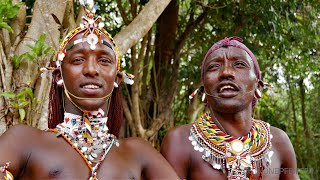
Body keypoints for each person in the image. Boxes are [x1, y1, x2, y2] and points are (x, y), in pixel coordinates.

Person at [0, 1, 179, 179]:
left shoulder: (138, 151)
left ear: (116, 79)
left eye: (104, 61)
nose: (91, 69)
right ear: (58, 76)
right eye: (78, 60)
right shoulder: (25, 141)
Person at [161, 37, 298, 180]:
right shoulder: (179, 141)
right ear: (204, 92)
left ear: (258, 87)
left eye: (239, 64)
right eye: (214, 67)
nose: (226, 72)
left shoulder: (279, 141)